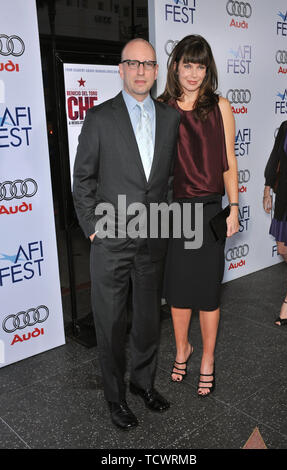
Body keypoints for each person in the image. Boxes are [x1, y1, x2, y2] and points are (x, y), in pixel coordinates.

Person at [72, 38, 180, 429]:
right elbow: (82, 179)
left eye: (148, 64)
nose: (140, 71)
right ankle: (115, 397)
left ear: (155, 71)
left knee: (149, 321)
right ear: (120, 69)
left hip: (153, 239)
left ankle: (143, 383)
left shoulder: (171, 118)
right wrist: (92, 230)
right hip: (110, 241)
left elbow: (166, 181)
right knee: (111, 323)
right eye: (132, 63)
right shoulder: (100, 118)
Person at [159, 35, 239, 396]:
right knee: (177, 292)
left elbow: (229, 162)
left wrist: (234, 207)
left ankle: (207, 358)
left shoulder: (221, 106)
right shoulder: (162, 108)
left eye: (200, 66)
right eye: (187, 65)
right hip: (174, 212)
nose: (193, 73)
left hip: (209, 211)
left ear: (209, 70)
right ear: (175, 66)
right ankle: (182, 350)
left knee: (207, 293)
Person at [263, 81, 287, 326]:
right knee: (284, 250)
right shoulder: (286, 126)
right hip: (284, 195)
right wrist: (267, 189)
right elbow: (275, 157)